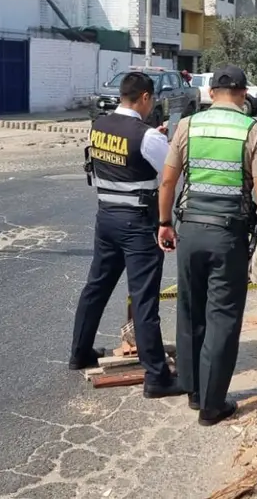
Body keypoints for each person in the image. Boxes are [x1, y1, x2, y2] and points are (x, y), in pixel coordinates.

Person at [157, 65, 257, 426]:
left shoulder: (188, 126)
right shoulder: (253, 130)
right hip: (228, 235)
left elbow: (167, 181)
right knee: (223, 316)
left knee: (190, 310)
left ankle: (194, 390)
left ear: (211, 93)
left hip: (190, 230)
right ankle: (212, 405)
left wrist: (164, 223)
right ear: (243, 94)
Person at [70, 71, 183, 399]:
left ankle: (80, 352)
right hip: (137, 223)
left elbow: (121, 157)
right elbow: (170, 174)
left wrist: (155, 138)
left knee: (96, 286)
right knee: (145, 298)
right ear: (145, 97)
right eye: (152, 102)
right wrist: (163, 141)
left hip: (106, 218)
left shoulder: (99, 126)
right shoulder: (148, 136)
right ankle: (157, 378)